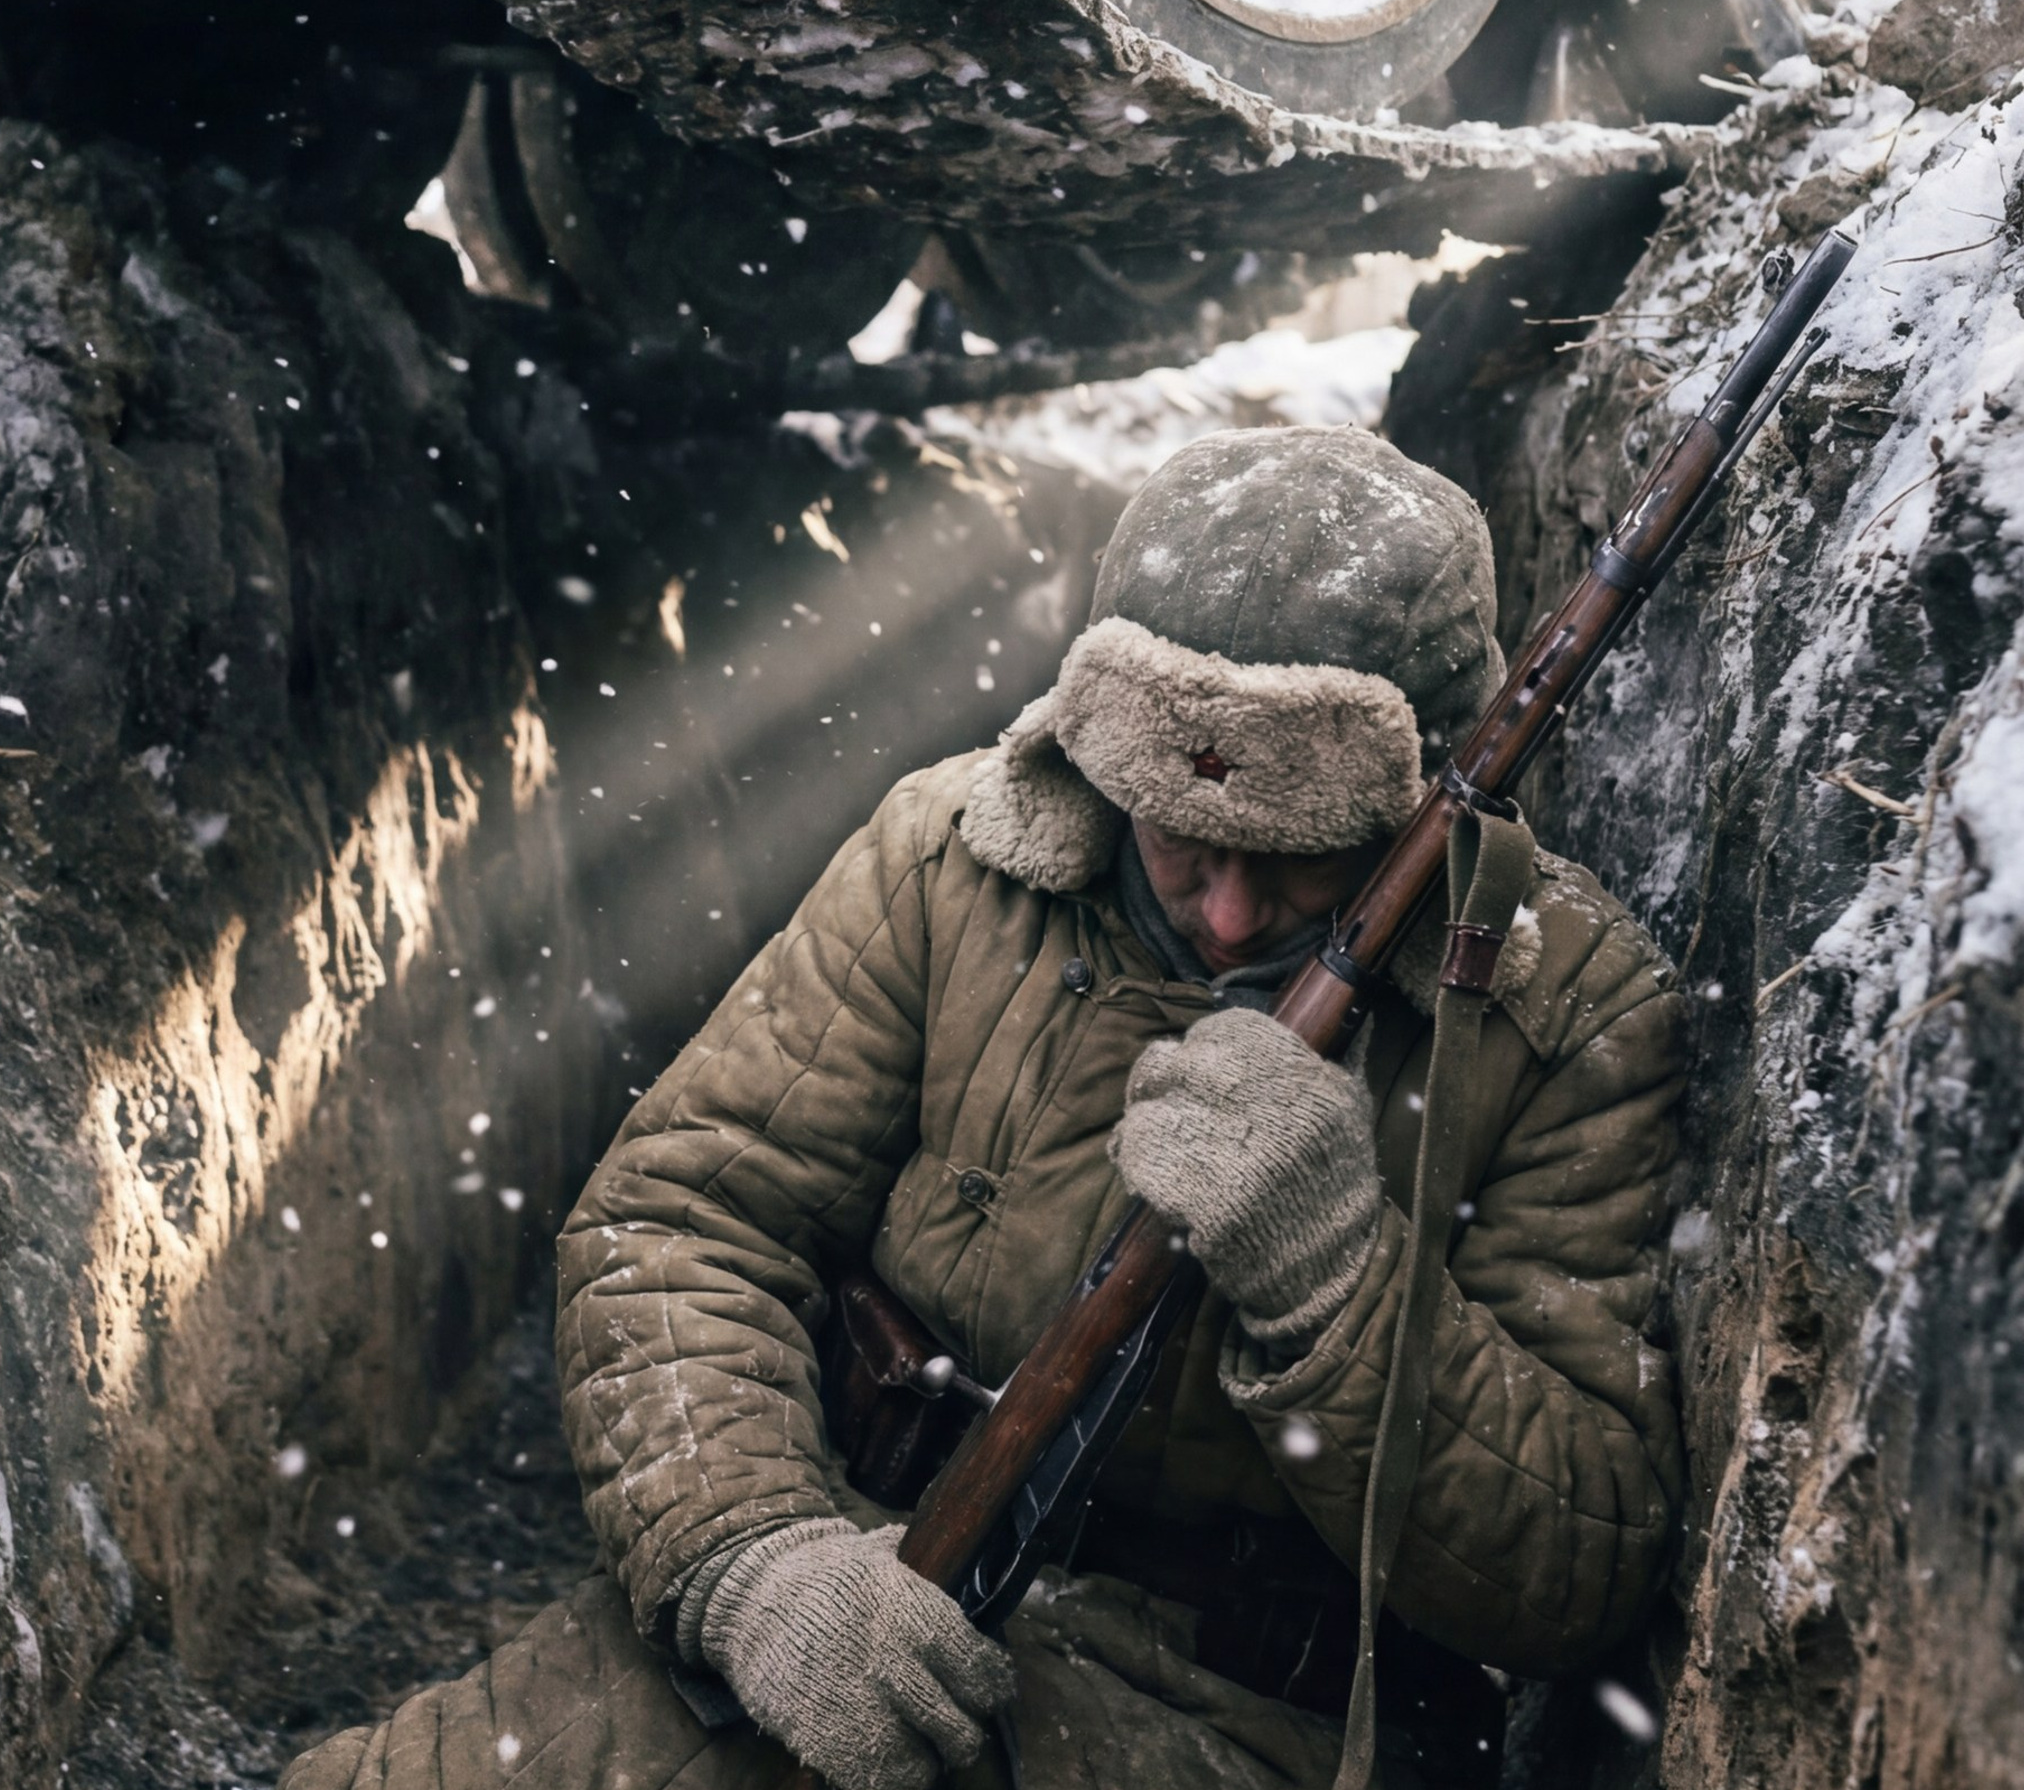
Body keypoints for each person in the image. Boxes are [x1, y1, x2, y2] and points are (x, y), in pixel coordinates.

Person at [288, 428, 1688, 1790]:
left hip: (1253, 1717)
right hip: (859, 1564)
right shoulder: (949, 858)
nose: (1224, 913)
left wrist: (1336, 1279)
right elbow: (684, 1219)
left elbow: (1580, 1568)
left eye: (1297, 862)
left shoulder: (1563, 1013)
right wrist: (757, 1561)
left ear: (1424, 797)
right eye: (1182, 838)